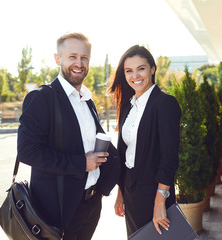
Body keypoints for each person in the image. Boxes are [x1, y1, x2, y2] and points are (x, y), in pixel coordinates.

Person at [17, 32, 120, 240]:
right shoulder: (41, 98)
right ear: (58, 59)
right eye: (72, 57)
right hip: (56, 211)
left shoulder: (88, 101)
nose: (79, 63)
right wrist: (81, 163)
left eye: (84, 58)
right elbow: (28, 151)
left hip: (90, 205)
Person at [109, 45, 181, 236]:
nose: (135, 76)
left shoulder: (165, 104)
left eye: (141, 68)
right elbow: (125, 154)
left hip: (155, 192)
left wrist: (160, 202)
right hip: (131, 192)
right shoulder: (128, 107)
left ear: (152, 69)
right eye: (129, 71)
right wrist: (120, 193)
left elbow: (169, 158)